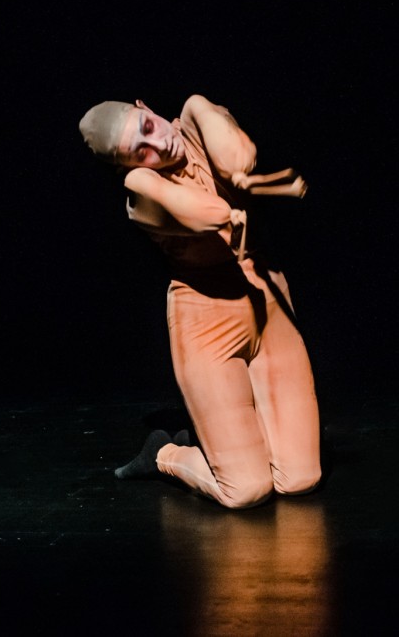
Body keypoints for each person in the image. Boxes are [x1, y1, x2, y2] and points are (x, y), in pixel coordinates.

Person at [78, 94, 322, 509]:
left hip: (267, 304)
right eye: (140, 152)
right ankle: (164, 454)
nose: (158, 145)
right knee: (245, 490)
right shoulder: (142, 191)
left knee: (300, 479)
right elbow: (206, 212)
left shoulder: (193, 125)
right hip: (206, 320)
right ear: (126, 167)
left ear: (146, 107)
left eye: (149, 127)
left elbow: (240, 156)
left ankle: (238, 441)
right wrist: (223, 199)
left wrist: (200, 109)